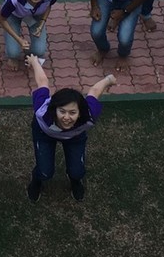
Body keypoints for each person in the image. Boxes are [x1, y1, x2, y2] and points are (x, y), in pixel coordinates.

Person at [25, 55, 115, 203]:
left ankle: (75, 180)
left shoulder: (89, 115)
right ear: (54, 110)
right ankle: (37, 180)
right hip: (44, 133)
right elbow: (42, 82)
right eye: (62, 111)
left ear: (80, 113)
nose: (67, 117)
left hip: (74, 137)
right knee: (45, 171)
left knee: (77, 171)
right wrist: (34, 61)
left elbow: (94, 91)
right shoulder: (42, 110)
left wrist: (108, 80)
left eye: (72, 112)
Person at [0, 0, 58, 72]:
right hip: (14, 15)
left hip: (35, 15)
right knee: (13, 52)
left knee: (39, 51)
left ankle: (29, 55)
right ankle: (13, 56)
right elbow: (1, 19)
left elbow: (49, 5)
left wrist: (42, 23)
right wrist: (19, 39)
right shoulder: (14, 0)